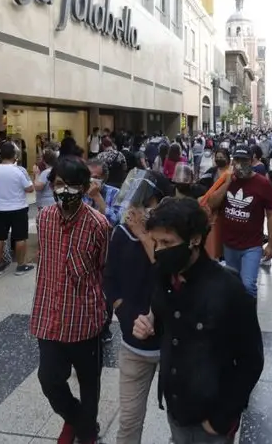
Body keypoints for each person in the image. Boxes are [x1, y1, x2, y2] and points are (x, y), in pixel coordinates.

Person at [131, 198, 264, 444]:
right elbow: (166, 323)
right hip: (176, 406)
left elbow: (251, 360)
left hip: (211, 416)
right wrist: (149, 325)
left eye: (167, 243)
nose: (159, 250)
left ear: (194, 239)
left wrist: (223, 415)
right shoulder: (164, 277)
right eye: (156, 242)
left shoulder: (229, 288)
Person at [31, 157, 111, 444]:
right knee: (49, 380)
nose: (65, 191)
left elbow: (104, 269)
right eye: (60, 184)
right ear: (53, 186)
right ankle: (77, 419)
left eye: (73, 185)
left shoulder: (98, 225)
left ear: (86, 187)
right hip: (49, 316)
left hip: (84, 319)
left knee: (90, 383)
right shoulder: (44, 218)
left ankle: (86, 431)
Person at [104, 170, 174, 444]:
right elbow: (110, 279)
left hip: (172, 345)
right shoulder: (122, 233)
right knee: (129, 422)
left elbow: (169, 277)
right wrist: (125, 313)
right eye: (138, 203)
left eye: (148, 203)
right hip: (134, 346)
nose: (140, 210)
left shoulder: (170, 237)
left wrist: (145, 237)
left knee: (181, 422)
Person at [206, 145, 272, 298]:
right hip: (229, 245)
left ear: (252, 161)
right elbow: (211, 203)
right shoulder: (227, 179)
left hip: (252, 246)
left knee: (248, 286)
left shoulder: (262, 184)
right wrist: (226, 183)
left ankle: (249, 319)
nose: (239, 164)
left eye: (244, 160)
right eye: (237, 160)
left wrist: (271, 244)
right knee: (232, 285)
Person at [0, 141, 36, 276]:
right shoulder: (20, 170)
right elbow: (30, 189)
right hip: (18, 208)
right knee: (20, 238)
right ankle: (20, 266)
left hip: (0, 209)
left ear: (0, 155)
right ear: (14, 155)